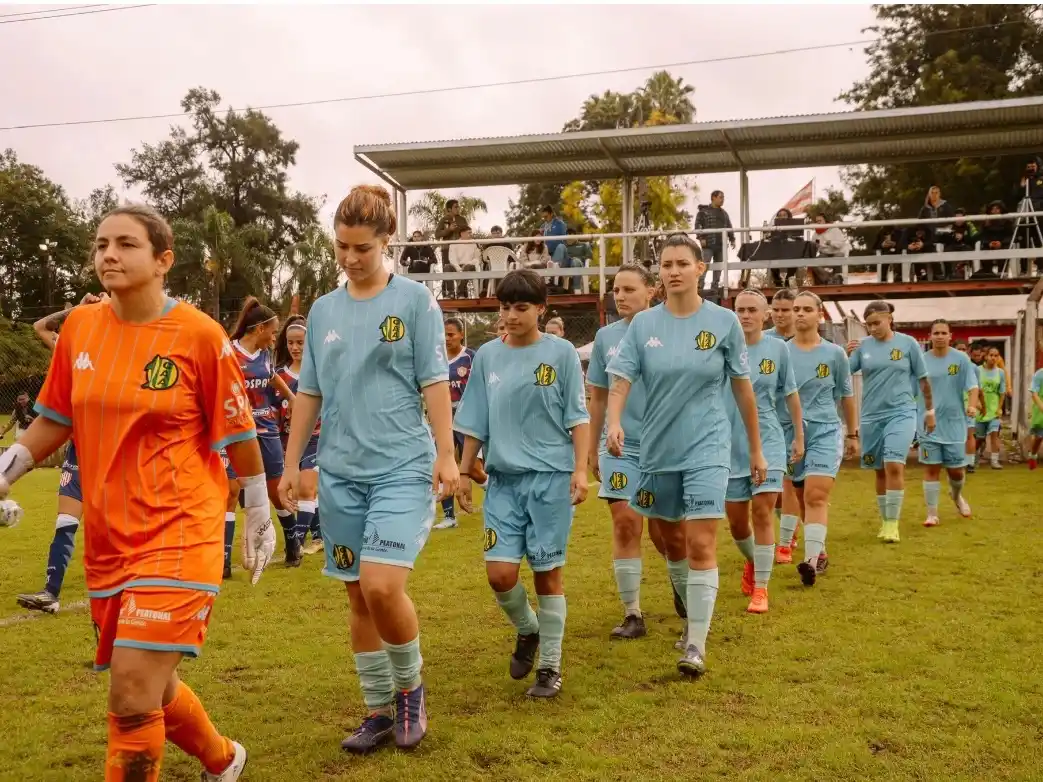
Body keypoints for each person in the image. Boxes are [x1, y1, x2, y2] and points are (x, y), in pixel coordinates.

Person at [0, 203, 275, 781]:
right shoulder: (80, 326)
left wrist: (257, 510)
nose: (108, 255)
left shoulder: (200, 336)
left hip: (180, 529)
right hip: (108, 537)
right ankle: (224, 761)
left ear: (163, 260)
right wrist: (7, 468)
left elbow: (239, 430)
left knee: (130, 686)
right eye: (101, 244)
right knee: (154, 683)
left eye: (125, 244)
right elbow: (54, 416)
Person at [278, 185, 458, 753]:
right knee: (356, 594)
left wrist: (447, 453)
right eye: (342, 247)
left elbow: (434, 380)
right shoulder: (325, 311)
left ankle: (411, 690)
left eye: (362, 247)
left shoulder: (414, 302)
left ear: (387, 242)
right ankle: (377, 709)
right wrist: (290, 464)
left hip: (402, 466)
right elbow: (308, 392)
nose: (351, 258)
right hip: (340, 473)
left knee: (382, 585)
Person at [605, 234, 766, 677]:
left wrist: (754, 448)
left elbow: (743, 389)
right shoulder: (643, 326)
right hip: (657, 450)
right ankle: (687, 608)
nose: (673, 270)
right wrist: (614, 421)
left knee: (699, 542)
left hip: (708, 449)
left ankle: (695, 642)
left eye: (681, 263)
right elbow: (620, 381)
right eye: (666, 264)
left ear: (701, 268)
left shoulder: (724, 323)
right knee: (670, 541)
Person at [454, 269, 589, 698]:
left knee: (548, 574)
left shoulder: (563, 353)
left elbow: (577, 417)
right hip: (504, 482)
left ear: (541, 308)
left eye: (521, 307)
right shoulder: (488, 356)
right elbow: (475, 418)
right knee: (499, 574)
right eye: (505, 307)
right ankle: (528, 630)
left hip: (550, 479)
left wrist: (580, 469)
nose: (511, 315)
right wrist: (463, 470)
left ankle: (550, 667)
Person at [586, 263, 684, 639]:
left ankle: (682, 582)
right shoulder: (605, 338)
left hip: (664, 446)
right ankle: (632, 614)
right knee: (626, 522)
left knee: (667, 534)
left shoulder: (672, 330)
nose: (620, 296)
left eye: (629, 289)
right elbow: (596, 397)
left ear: (651, 292)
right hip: (619, 447)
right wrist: (593, 450)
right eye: (616, 289)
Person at [14, 294, 105, 614]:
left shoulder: (122, 343)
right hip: (80, 448)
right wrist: (75, 309)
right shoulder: (73, 344)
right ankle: (50, 593)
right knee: (65, 520)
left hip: (113, 452)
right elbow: (40, 326)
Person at [726, 290, 804, 611]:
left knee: (761, 511)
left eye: (751, 310)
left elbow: (791, 395)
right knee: (736, 523)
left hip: (770, 442)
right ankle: (753, 560)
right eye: (739, 310)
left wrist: (798, 436)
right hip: (729, 444)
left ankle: (761, 588)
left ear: (766, 314)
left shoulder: (779, 350)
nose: (745, 316)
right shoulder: (721, 348)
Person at [785, 291, 858, 582]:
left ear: (820, 315)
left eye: (806, 309)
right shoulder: (780, 352)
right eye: (796, 309)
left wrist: (852, 433)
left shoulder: (835, 353)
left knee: (816, 494)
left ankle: (811, 562)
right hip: (790, 433)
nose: (799, 314)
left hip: (826, 430)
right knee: (802, 494)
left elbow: (846, 395)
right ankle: (820, 549)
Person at [846, 300, 932, 544]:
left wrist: (930, 410)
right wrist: (845, 354)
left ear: (890, 318)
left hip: (902, 412)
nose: (873, 328)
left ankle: (893, 524)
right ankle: (885, 520)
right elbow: (844, 373)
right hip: (872, 415)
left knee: (894, 464)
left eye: (877, 323)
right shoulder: (863, 347)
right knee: (879, 470)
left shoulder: (908, 344)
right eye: (869, 324)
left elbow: (924, 379)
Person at [223, 298, 296, 573]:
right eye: (273, 331)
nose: (274, 337)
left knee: (276, 491)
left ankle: (293, 545)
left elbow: (272, 376)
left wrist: (291, 396)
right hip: (236, 431)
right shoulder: (229, 352)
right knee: (230, 492)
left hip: (266, 430)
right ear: (259, 328)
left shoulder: (265, 354)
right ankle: (224, 562)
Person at [918, 319, 979, 526]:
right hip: (929, 424)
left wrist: (972, 406)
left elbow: (973, 387)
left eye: (944, 333)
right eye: (936, 333)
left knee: (956, 471)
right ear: (930, 336)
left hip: (955, 423)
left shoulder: (961, 359)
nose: (940, 336)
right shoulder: (921, 360)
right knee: (931, 468)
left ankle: (956, 496)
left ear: (950, 336)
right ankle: (932, 514)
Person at [274, 315, 323, 555]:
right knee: (299, 492)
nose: (295, 347)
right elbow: (273, 409)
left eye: (300, 343)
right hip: (289, 441)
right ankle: (319, 535)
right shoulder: (279, 376)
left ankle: (297, 544)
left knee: (306, 489)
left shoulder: (319, 371)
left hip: (317, 437)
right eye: (291, 343)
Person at [435, 317, 475, 531]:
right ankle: (449, 517)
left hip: (467, 418)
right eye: (444, 334)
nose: (447, 338)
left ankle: (497, 495)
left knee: (475, 469)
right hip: (445, 419)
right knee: (442, 464)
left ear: (461, 335)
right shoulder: (436, 359)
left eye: (451, 334)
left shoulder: (470, 357)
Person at [975, 347, 1007, 470]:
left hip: (994, 409)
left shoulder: (1000, 373)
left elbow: (1002, 392)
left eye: (996, 355)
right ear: (986, 356)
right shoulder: (977, 370)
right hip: (980, 409)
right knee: (979, 437)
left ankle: (995, 460)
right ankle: (974, 458)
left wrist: (999, 409)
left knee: (994, 434)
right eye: (991, 355)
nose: (993, 358)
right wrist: (976, 401)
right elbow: (973, 388)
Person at [1028, 365, 1043, 470]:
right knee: (1039, 437)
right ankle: (1033, 455)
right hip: (1040, 408)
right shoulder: (1039, 374)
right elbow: (1034, 393)